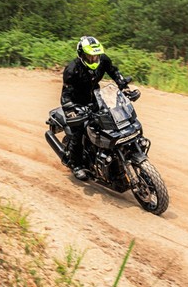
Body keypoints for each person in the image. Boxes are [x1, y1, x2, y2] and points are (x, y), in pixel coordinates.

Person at [60, 36, 140, 180]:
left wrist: (125, 87)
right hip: (77, 103)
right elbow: (66, 95)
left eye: (95, 56)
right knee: (78, 132)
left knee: (110, 122)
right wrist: (71, 111)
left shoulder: (103, 60)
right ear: (81, 54)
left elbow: (114, 72)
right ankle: (76, 165)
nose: (93, 59)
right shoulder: (72, 70)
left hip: (96, 97)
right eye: (90, 56)